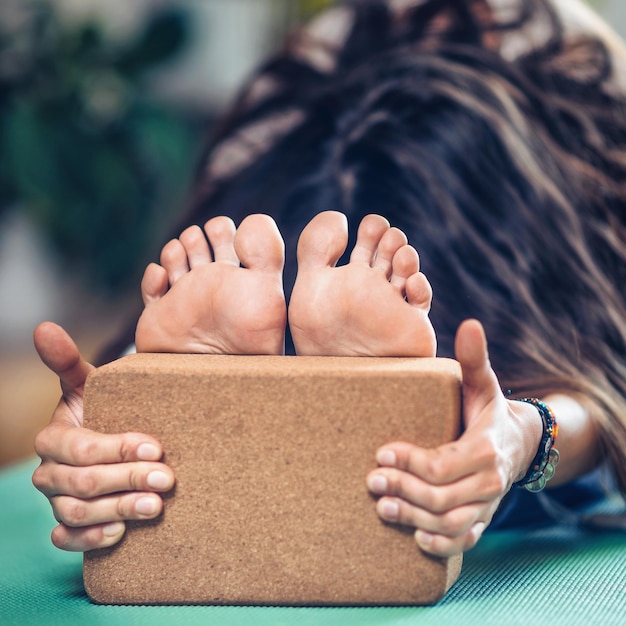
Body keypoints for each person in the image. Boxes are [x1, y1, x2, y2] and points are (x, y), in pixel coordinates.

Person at [32, 0, 626, 559]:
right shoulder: (306, 76)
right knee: (257, 301)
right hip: (316, 164)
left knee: (493, 420)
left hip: (513, 242)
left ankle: (438, 406)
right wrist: (112, 419)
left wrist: (526, 436)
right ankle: (219, 374)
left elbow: (608, 388)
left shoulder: (579, 71)